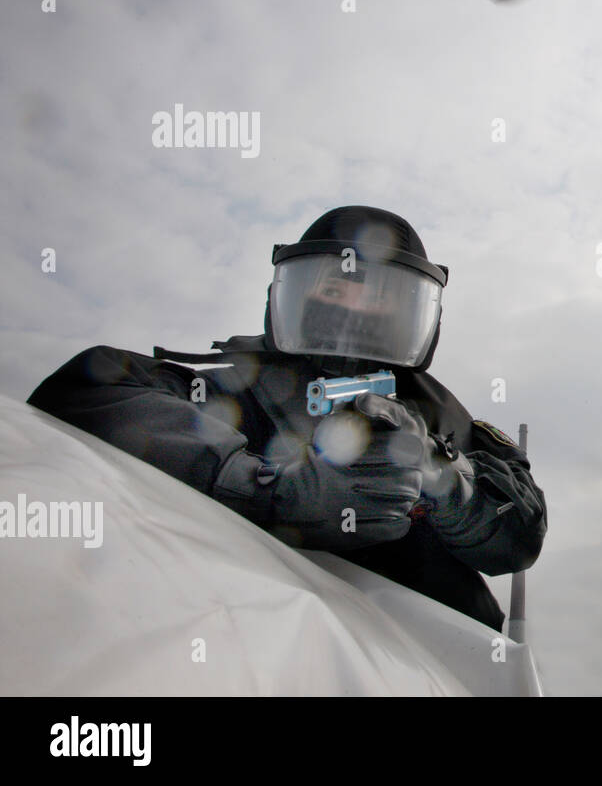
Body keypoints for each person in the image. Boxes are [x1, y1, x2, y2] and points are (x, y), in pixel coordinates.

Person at [28, 205, 546, 629]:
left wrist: (449, 484)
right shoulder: (233, 391)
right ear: (289, 296)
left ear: (417, 314)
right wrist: (272, 490)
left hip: (448, 663)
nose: (354, 311)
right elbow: (90, 388)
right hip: (262, 647)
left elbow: (522, 536)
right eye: (335, 289)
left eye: (378, 297)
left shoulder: (451, 424)